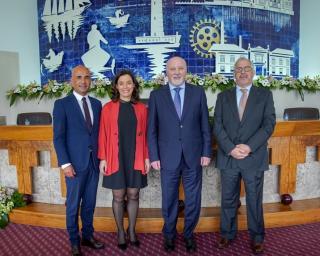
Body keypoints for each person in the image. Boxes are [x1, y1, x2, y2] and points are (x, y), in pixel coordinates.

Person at [147, 56, 212, 253]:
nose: (176, 72)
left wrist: (206, 151)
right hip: (167, 157)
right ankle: (169, 235)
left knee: (193, 199)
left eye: (180, 68)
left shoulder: (198, 93)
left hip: (193, 155)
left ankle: (189, 234)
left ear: (186, 70)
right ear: (166, 72)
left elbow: (204, 125)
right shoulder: (156, 95)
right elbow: (152, 129)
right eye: (172, 69)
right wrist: (154, 156)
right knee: (169, 199)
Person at [213, 57, 276, 254]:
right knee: (228, 199)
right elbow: (218, 125)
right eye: (238, 69)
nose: (242, 72)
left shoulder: (264, 95)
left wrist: (248, 147)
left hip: (253, 157)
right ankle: (227, 234)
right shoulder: (223, 96)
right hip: (229, 156)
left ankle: (257, 237)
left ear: (253, 72)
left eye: (246, 68)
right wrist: (231, 148)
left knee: (254, 200)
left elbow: (268, 125)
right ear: (234, 73)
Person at [53, 65, 104, 256]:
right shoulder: (62, 104)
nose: (83, 81)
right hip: (73, 165)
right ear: (71, 81)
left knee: (90, 204)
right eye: (79, 77)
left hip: (93, 163)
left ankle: (88, 236)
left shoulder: (97, 104)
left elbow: (99, 135)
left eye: (87, 77)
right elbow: (58, 137)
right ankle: (74, 241)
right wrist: (65, 164)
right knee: (73, 205)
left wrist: (102, 158)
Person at [98, 70, 150, 251]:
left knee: (134, 194)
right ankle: (120, 231)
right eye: (121, 83)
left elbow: (148, 136)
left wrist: (147, 157)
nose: (125, 86)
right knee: (118, 196)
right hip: (115, 156)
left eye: (129, 83)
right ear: (116, 86)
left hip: (136, 156)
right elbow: (102, 135)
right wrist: (103, 158)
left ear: (134, 85)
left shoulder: (143, 109)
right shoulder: (108, 108)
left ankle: (132, 230)